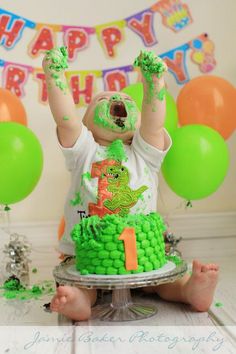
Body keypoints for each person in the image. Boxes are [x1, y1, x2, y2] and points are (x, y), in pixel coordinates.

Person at [43, 48, 219, 321]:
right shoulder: (83, 152)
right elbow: (66, 120)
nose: (116, 99)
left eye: (127, 99)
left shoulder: (144, 154)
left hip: (144, 256)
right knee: (79, 283)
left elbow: (154, 124)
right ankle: (78, 301)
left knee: (163, 281)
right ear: (86, 124)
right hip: (87, 257)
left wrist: (154, 83)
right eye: (102, 99)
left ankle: (190, 290)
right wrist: (55, 76)